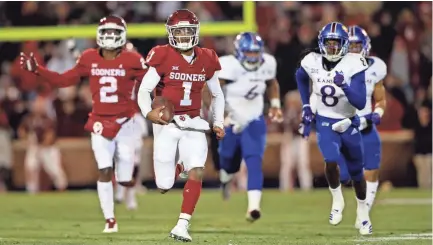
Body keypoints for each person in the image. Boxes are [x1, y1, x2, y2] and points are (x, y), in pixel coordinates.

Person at [20, 15, 147, 233]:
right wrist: (37, 69)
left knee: (126, 174)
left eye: (114, 32)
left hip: (126, 123)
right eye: (105, 32)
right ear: (99, 35)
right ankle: (110, 220)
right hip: (99, 122)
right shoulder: (89, 58)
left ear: (122, 35)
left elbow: (154, 81)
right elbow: (63, 80)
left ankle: (126, 191)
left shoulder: (133, 59)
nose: (109, 37)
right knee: (104, 168)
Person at [137, 9, 225, 242]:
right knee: (164, 184)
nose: (184, 35)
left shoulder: (207, 57)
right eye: (179, 31)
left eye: (188, 30)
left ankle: (182, 225)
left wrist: (218, 121)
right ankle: (178, 167)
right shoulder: (162, 55)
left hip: (194, 121)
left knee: (198, 169)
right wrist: (149, 113)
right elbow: (145, 90)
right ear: (170, 33)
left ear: (196, 32)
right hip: (167, 123)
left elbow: (217, 94)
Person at [296, 22, 372, 235]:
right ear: (321, 43)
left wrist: (345, 85)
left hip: (348, 121)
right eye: (328, 44)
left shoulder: (354, 63)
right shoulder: (311, 61)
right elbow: (300, 77)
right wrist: (305, 105)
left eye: (335, 43)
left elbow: (358, 102)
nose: (331, 48)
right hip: (325, 120)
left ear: (344, 44)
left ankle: (363, 212)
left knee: (357, 172)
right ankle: (337, 199)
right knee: (330, 159)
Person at [217, 32, 283, 222]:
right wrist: (221, 113)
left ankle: (253, 207)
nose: (253, 57)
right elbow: (210, 90)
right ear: (239, 52)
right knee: (228, 162)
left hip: (254, 119)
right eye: (249, 53)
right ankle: (225, 179)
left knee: (254, 162)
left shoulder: (268, 63)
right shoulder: (228, 65)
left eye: (256, 53)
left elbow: (272, 83)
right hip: (231, 120)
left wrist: (276, 105)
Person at [338, 26, 387, 227]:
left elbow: (381, 99)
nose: (354, 50)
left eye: (357, 45)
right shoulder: (333, 67)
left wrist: (378, 113)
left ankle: (363, 212)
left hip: (365, 124)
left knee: (373, 168)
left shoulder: (375, 67)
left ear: (365, 46)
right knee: (344, 176)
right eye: (350, 46)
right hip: (343, 126)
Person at [18, 96, 67, 193]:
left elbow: (50, 135)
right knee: (31, 167)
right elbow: (21, 130)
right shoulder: (29, 118)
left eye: (41, 105)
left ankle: (62, 189)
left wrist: (42, 144)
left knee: (54, 170)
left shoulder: (48, 119)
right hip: (34, 147)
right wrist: (26, 138)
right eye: (37, 104)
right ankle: (31, 191)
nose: (38, 107)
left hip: (48, 148)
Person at [280, 91, 312, 192]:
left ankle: (306, 187)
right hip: (288, 139)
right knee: (287, 165)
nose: (292, 104)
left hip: (301, 139)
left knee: (303, 164)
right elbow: (280, 126)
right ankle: (285, 188)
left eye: (294, 102)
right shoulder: (285, 112)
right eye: (290, 102)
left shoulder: (304, 112)